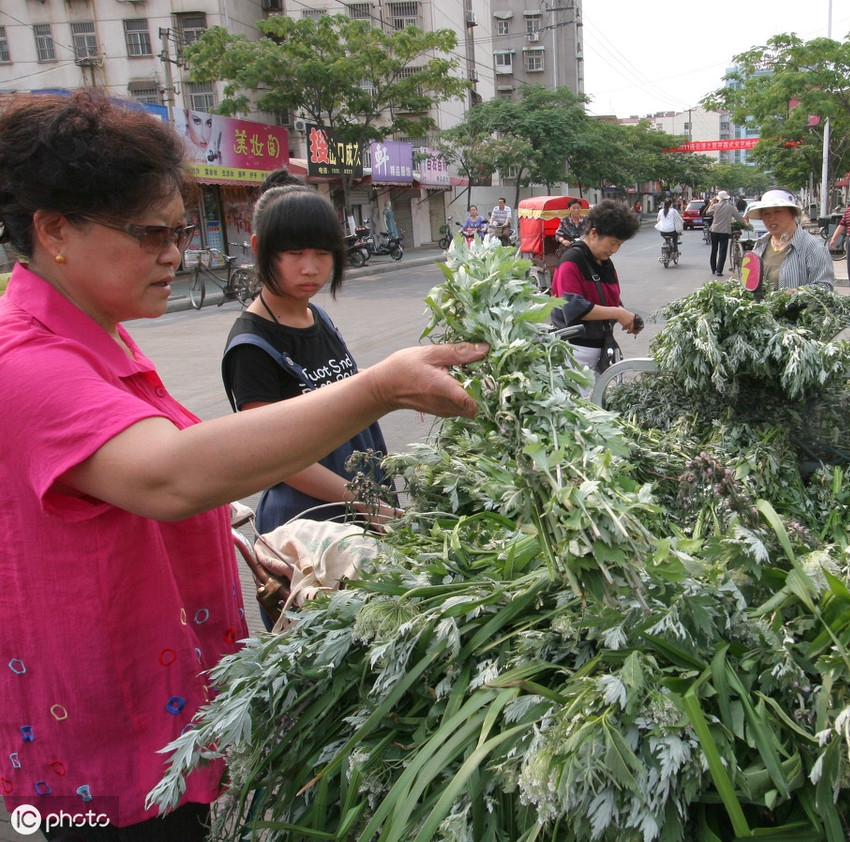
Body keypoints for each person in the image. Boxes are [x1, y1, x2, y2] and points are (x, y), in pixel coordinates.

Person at [0, 91, 486, 837]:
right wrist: (382, 388)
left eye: (180, 231)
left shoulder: (107, 341)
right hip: (103, 743)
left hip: (168, 697)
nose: (174, 253)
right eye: (151, 233)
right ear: (55, 229)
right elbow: (166, 475)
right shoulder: (25, 362)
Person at [222, 185, 395, 537]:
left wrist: (396, 383)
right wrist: (363, 502)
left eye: (323, 253)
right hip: (309, 527)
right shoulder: (251, 346)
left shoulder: (317, 317)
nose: (310, 268)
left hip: (362, 505)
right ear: (260, 249)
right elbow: (277, 459)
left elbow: (336, 385)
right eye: (294, 253)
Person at [550, 199, 643, 372]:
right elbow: (573, 307)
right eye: (613, 243)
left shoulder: (605, 262)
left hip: (599, 350)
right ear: (593, 233)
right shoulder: (571, 261)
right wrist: (617, 312)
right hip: (574, 353)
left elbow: (610, 299)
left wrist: (628, 318)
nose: (615, 250)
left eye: (620, 245)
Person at [746, 188, 835, 292]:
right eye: (766, 214)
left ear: (793, 214)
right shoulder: (760, 243)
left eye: (777, 212)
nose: (771, 218)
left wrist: (796, 294)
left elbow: (825, 287)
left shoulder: (813, 248)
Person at [708, 190, 740, 277]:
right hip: (724, 231)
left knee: (714, 250)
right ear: (726, 199)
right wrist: (745, 223)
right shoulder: (730, 207)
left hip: (714, 230)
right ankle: (719, 270)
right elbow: (738, 217)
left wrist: (712, 203)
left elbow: (708, 212)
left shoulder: (715, 206)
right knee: (722, 251)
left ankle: (713, 269)